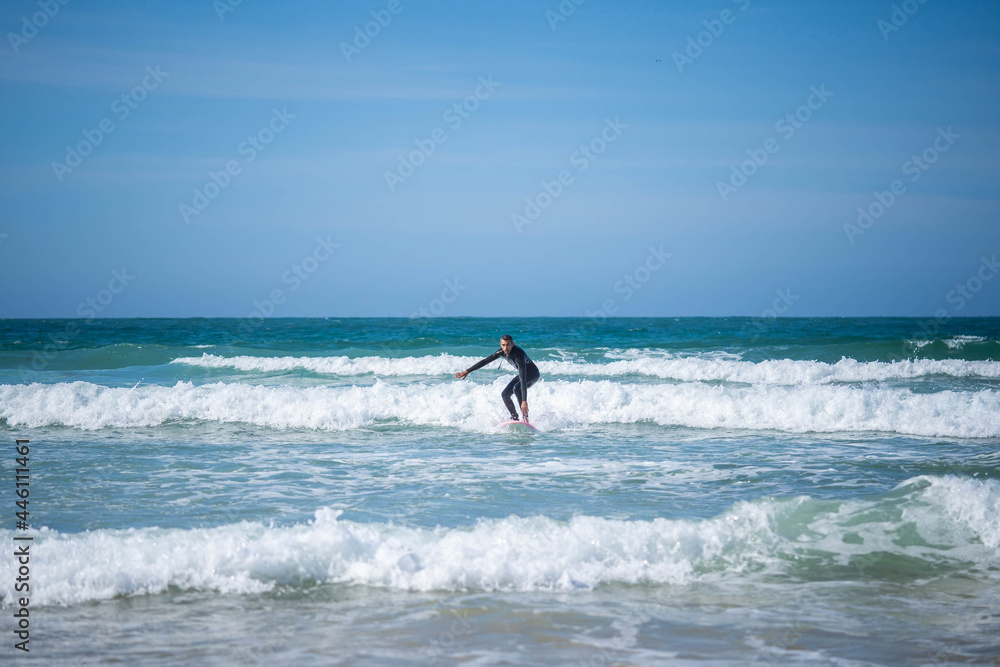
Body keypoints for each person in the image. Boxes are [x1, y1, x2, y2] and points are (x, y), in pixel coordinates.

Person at [455, 334, 540, 422]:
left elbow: (523, 379)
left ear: (512, 344)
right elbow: (485, 361)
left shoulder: (519, 355)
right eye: (503, 345)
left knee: (516, 388)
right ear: (500, 345)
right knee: (505, 394)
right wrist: (467, 371)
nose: (506, 348)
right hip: (523, 375)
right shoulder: (501, 352)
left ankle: (525, 417)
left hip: (533, 374)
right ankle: (515, 418)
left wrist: (524, 401)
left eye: (508, 345)